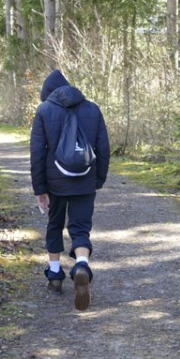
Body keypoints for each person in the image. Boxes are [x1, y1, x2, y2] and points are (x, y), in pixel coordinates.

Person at [31, 68, 110, 311]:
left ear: (48, 94)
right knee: (80, 226)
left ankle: (55, 276)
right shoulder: (92, 109)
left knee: (54, 224)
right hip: (85, 179)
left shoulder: (44, 110)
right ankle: (82, 265)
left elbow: (37, 152)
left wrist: (40, 188)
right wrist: (98, 179)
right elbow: (103, 148)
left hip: (55, 182)